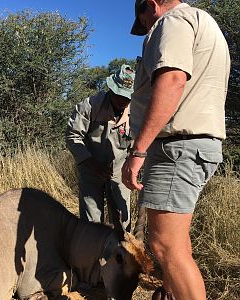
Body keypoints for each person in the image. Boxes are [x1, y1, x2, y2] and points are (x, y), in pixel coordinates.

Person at [122, 1, 230, 300]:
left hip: (176, 147)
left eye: (142, 21)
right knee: (176, 243)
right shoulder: (204, 22)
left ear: (150, 6)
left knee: (164, 246)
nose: (145, 28)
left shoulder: (172, 22)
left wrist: (138, 151)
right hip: (194, 145)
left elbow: (172, 79)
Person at [66, 65, 135, 235]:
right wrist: (90, 163)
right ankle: (92, 257)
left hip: (119, 170)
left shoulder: (137, 112)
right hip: (90, 167)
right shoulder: (89, 106)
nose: (122, 101)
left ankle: (122, 256)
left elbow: (139, 144)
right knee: (91, 221)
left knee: (122, 219)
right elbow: (72, 136)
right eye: (118, 95)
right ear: (111, 88)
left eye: (126, 97)